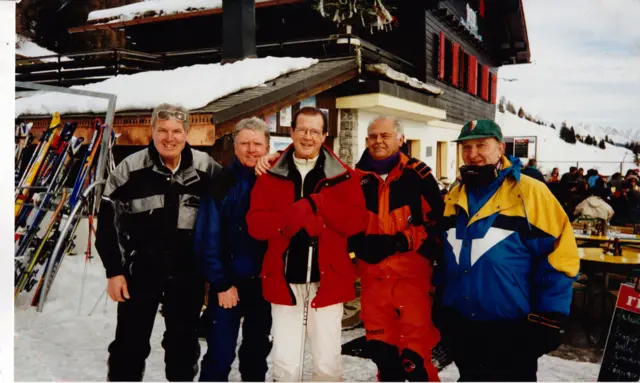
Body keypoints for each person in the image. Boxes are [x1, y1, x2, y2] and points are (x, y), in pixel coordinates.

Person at [434, 120, 579, 382]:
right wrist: (442, 306)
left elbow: (559, 255)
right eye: (466, 147)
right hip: (464, 326)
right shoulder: (456, 194)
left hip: (513, 330)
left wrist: (550, 317)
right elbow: (448, 255)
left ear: (500, 147)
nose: (473, 153)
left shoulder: (531, 192)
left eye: (481, 145)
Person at [96, 103, 221, 381]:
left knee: (183, 346)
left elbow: (236, 201)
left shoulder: (207, 168)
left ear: (187, 132)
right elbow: (107, 224)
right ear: (151, 131)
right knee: (129, 345)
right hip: (141, 269)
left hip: (188, 272)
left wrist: (265, 162)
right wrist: (114, 271)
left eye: (177, 131)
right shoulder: (130, 168)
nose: (169, 137)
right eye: (162, 130)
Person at [246, 107, 368, 381]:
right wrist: (291, 218)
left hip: (327, 281)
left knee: (327, 362)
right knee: (285, 361)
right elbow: (255, 225)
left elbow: (357, 222)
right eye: (302, 129)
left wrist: (320, 204)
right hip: (284, 279)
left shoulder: (344, 176)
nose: (308, 137)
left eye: (314, 131)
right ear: (291, 132)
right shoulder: (271, 174)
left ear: (325, 135)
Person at [348, 117, 444, 381]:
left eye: (385, 135)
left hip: (411, 283)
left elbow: (438, 224)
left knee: (414, 361)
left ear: (400, 139)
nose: (378, 141)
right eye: (373, 136)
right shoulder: (355, 179)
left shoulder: (418, 175)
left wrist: (403, 241)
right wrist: (355, 249)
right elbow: (344, 226)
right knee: (384, 358)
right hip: (373, 285)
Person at [194, 117, 272, 381]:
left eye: (257, 144)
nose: (252, 149)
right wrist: (222, 283)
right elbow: (208, 237)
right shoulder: (222, 182)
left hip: (264, 285)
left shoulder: (277, 180)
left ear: (267, 147)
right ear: (234, 147)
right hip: (229, 284)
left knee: (256, 355)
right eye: (245, 143)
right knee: (220, 354)